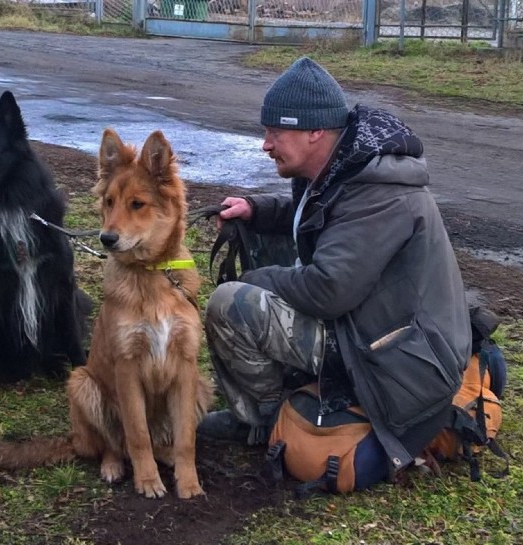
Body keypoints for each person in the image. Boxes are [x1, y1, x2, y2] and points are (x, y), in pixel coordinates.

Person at [198, 57, 472, 479]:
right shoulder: (346, 170)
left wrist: (252, 282)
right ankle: (283, 404)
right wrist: (256, 210)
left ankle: (266, 422)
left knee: (232, 303)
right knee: (267, 275)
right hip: (379, 332)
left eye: (275, 132)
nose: (265, 144)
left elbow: (329, 290)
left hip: (400, 363)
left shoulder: (377, 194)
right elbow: (324, 219)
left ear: (315, 132)